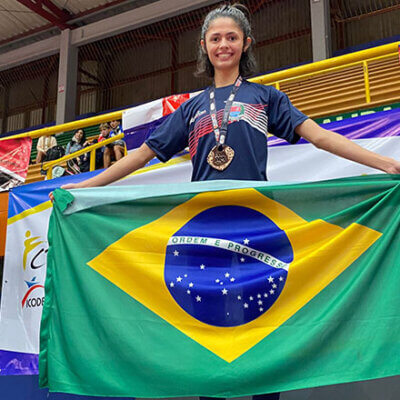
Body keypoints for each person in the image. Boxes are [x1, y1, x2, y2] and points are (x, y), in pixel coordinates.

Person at [53, 3, 400, 398]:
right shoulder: (192, 108)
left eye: (231, 37)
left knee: (263, 327)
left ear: (245, 43)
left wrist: (384, 162)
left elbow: (319, 136)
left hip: (258, 229)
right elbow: (143, 153)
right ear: (204, 46)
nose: (223, 45)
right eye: (215, 38)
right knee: (210, 331)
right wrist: (89, 187)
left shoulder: (266, 97)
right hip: (204, 230)